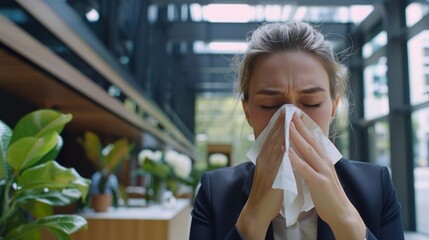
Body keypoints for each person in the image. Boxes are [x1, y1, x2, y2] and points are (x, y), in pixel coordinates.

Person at [189, 21, 404, 240]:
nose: (289, 121)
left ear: (333, 109)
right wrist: (251, 221)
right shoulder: (214, 193)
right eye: (270, 105)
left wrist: (344, 218)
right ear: (248, 112)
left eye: (311, 103)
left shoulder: (376, 187)